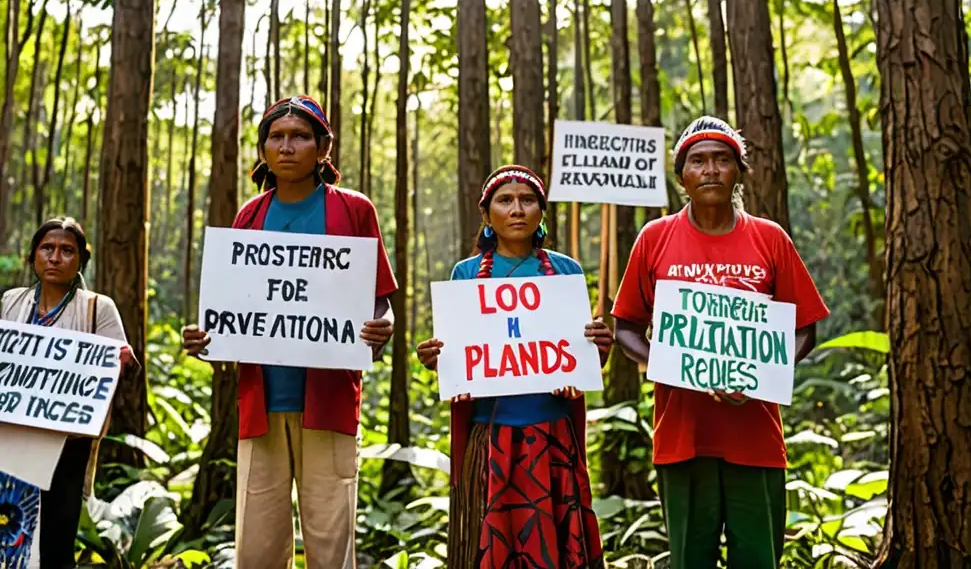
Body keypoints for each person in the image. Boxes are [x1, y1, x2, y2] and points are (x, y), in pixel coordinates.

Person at [182, 95, 397, 569]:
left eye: (299, 136)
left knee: (330, 536)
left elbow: (380, 297)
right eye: (275, 137)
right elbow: (229, 307)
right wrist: (204, 337)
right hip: (261, 401)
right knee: (258, 543)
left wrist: (385, 327)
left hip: (330, 398)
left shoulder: (354, 210)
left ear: (323, 147)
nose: (286, 146)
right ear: (262, 150)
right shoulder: (250, 217)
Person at [612, 117, 830, 568]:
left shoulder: (770, 239)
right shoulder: (654, 239)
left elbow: (805, 327)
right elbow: (626, 328)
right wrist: (677, 366)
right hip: (682, 435)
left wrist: (761, 375)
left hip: (756, 436)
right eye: (698, 161)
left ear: (738, 171)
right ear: (682, 176)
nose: (710, 169)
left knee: (759, 558)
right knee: (691, 559)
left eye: (722, 159)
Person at [416, 165, 610, 569]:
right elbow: (462, 355)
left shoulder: (565, 271)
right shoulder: (466, 274)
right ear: (487, 216)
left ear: (542, 211)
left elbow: (579, 355)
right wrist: (439, 359)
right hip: (490, 435)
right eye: (505, 201)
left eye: (527, 200)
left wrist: (596, 351)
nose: (517, 209)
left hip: (553, 431)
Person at [0, 217, 134, 569]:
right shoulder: (12, 301)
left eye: (66, 251)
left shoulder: (97, 307)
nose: (55, 257)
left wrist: (120, 361)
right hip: (12, 438)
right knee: (8, 528)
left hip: (67, 443)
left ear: (80, 261)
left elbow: (120, 365)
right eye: (47, 248)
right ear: (32, 258)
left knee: (57, 536)